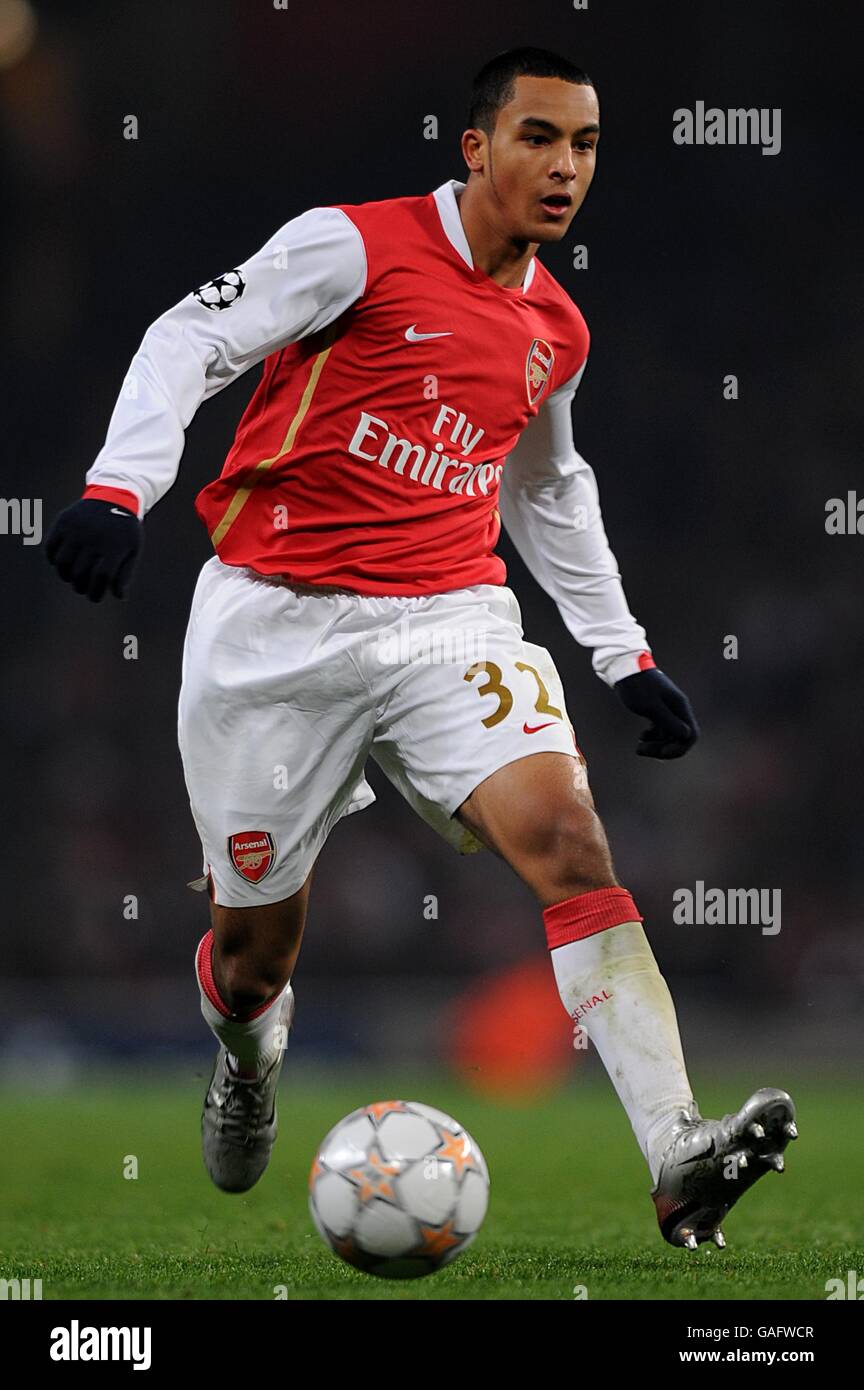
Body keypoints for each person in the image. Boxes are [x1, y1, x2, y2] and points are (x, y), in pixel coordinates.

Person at [45, 46, 795, 1249]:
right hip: (271, 628)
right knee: (251, 958)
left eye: (587, 145)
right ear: (478, 147)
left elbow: (549, 489)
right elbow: (188, 337)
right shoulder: (352, 245)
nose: (565, 166)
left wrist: (622, 655)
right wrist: (117, 489)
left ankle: (676, 1149)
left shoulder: (557, 325)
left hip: (448, 619)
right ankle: (248, 1057)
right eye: (541, 136)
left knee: (569, 840)